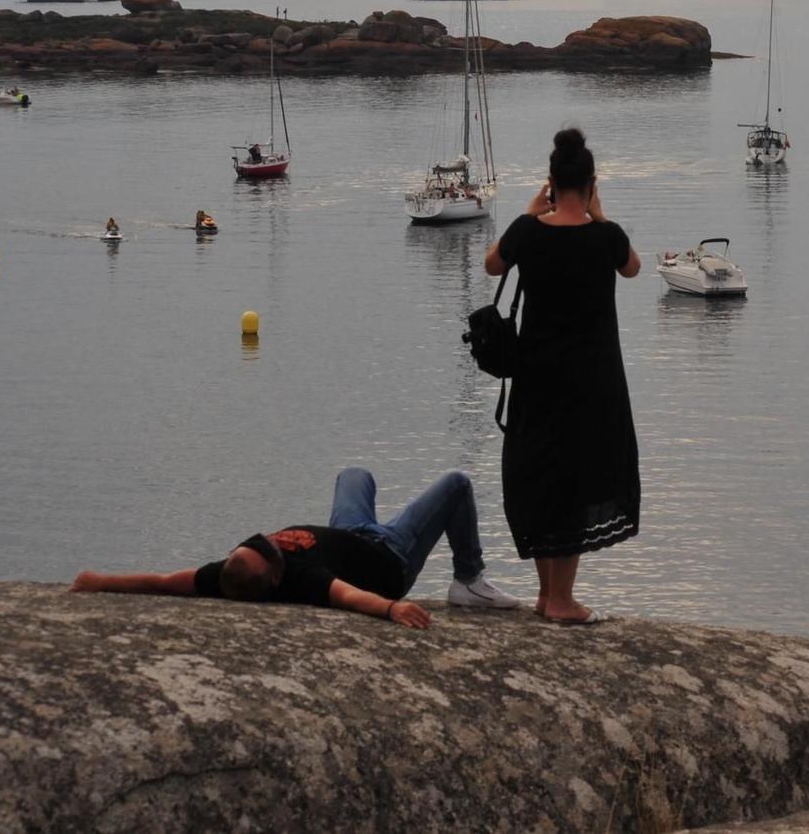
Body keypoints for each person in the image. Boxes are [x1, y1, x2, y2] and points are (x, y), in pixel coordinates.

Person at [484, 127, 642, 624]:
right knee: (576, 476)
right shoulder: (606, 237)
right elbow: (633, 268)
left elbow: (491, 265)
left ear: (551, 182)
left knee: (543, 473)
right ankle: (562, 600)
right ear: (591, 183)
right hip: (591, 380)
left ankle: (547, 593)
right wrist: (600, 214)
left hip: (536, 373)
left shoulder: (528, 232)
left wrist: (532, 213)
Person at [70, 468, 521, 627]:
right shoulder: (305, 581)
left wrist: (100, 582)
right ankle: (468, 580)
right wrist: (391, 610)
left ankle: (367, 517)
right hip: (390, 557)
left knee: (353, 474)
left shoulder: (226, 575)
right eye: (269, 548)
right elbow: (348, 597)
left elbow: (165, 582)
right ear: (276, 575)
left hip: (353, 532)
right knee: (457, 485)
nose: (266, 540)